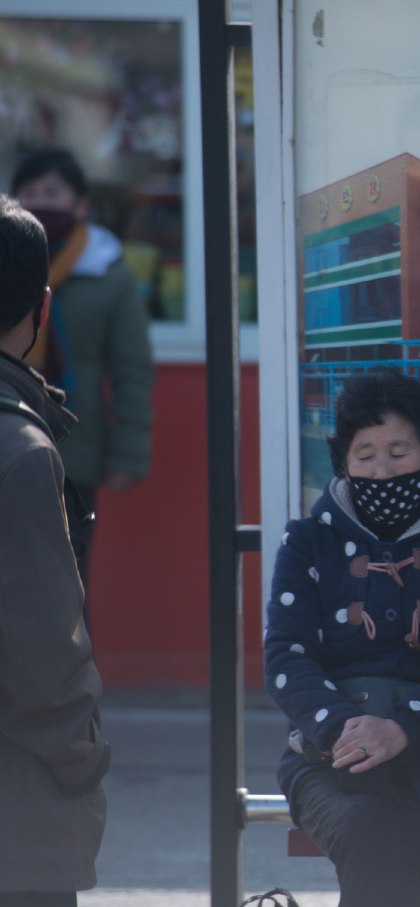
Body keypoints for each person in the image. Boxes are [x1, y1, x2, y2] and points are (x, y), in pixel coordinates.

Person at [264, 371, 420, 907]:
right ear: (343, 463)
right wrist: (344, 730)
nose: (380, 470)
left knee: (396, 848)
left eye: (399, 453)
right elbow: (287, 656)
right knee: (366, 829)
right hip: (332, 757)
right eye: (365, 454)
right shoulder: (308, 540)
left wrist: (406, 727)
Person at [0, 194, 111, 906]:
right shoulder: (20, 451)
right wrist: (84, 758)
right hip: (19, 816)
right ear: (42, 305)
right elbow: (45, 652)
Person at [11, 146, 155, 599]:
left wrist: (129, 455)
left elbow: (132, 370)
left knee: (67, 581)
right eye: (29, 191)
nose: (40, 201)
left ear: (80, 205)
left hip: (76, 451)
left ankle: (69, 670)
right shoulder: (7, 261)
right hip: (5, 434)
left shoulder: (108, 274)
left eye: (52, 191)